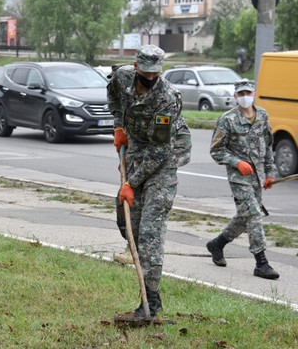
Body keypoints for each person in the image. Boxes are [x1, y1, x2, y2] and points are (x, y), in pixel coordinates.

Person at [107, 45, 192, 319]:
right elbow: (113, 98)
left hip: (165, 158)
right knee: (126, 220)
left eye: (156, 74)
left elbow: (160, 151)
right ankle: (146, 274)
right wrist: (119, 127)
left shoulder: (168, 98)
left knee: (150, 232)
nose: (150, 79)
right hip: (135, 150)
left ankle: (151, 304)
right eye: (146, 73)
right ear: (135, 66)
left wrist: (130, 183)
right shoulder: (121, 77)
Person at [206, 79, 279, 280]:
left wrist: (270, 173)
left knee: (244, 216)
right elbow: (216, 150)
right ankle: (261, 262)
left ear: (254, 94)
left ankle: (217, 244)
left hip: (257, 177)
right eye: (240, 93)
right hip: (239, 177)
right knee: (254, 214)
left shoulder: (263, 115)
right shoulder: (227, 120)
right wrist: (236, 162)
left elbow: (268, 148)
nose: (244, 96)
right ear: (235, 96)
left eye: (248, 92)